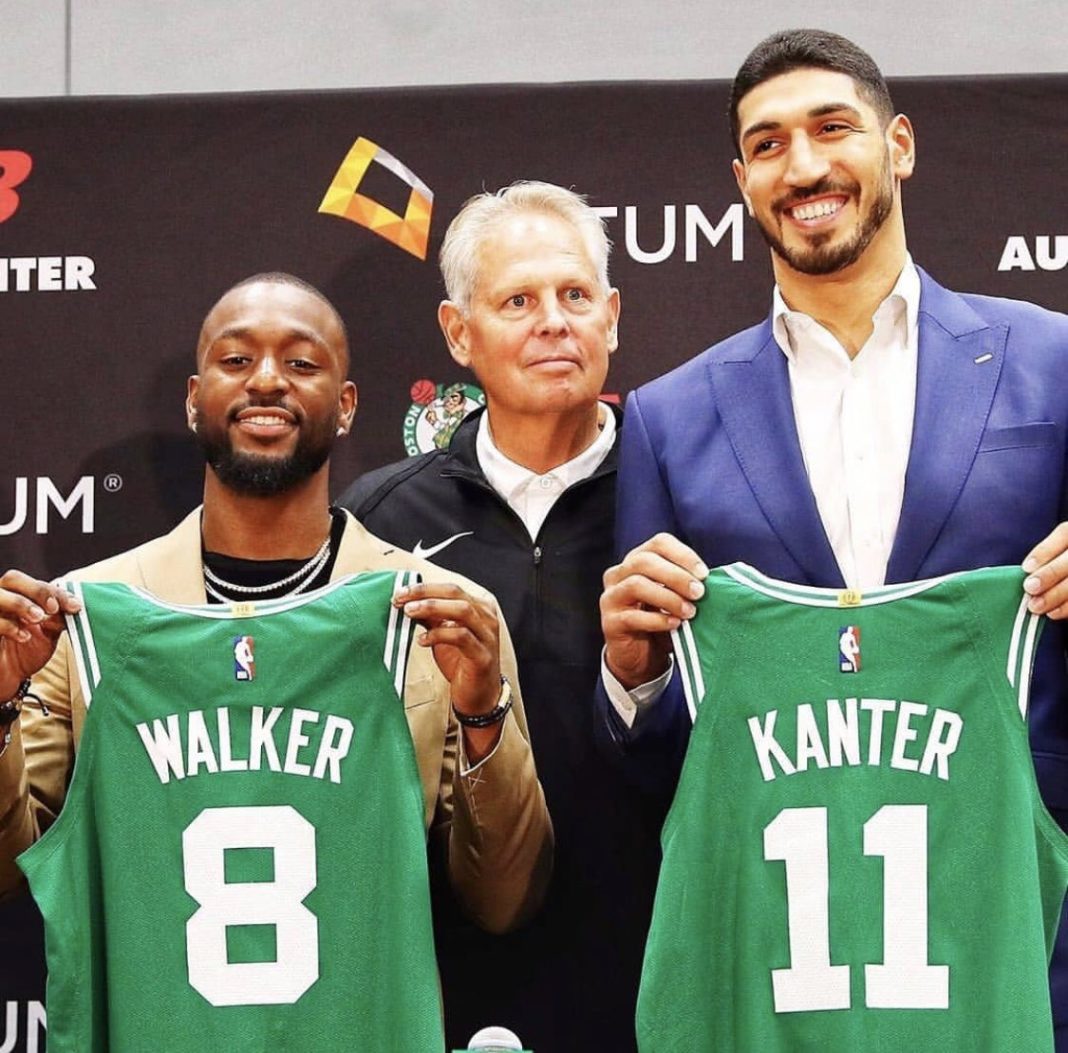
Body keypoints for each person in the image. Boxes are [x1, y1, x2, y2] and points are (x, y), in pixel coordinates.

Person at [597, 27, 1068, 1039]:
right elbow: (667, 769)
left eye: (830, 129)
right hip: (783, 969)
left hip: (1023, 945)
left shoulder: (1054, 362)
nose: (803, 166)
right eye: (767, 145)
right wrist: (633, 671)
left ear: (898, 143)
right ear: (739, 180)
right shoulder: (670, 418)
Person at [0, 272, 551, 931]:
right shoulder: (81, 619)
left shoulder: (443, 616)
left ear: (346, 405)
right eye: (236, 359)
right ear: (194, 400)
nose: (266, 379)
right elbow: (10, 876)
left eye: (300, 361)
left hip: (364, 1023)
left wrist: (484, 714)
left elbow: (505, 901)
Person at [339, 183, 666, 1052]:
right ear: (458, 332)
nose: (553, 322)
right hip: (448, 982)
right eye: (518, 300)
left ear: (614, 317)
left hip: (657, 970)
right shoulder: (378, 524)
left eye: (575, 296)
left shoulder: (684, 498)